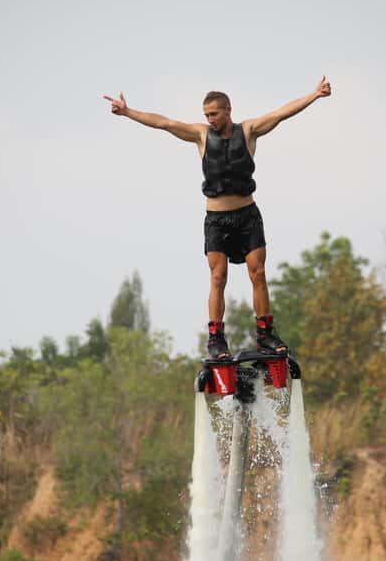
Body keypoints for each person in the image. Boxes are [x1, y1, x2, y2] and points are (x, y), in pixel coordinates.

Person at [103, 76, 332, 359]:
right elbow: (165, 123)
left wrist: (314, 95)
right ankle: (216, 339)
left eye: (214, 114)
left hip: (247, 216)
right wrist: (128, 112)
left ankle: (265, 334)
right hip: (216, 220)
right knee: (218, 276)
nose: (210, 119)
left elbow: (281, 113)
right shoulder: (201, 135)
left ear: (228, 110)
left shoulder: (248, 131)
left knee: (258, 272)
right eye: (206, 115)